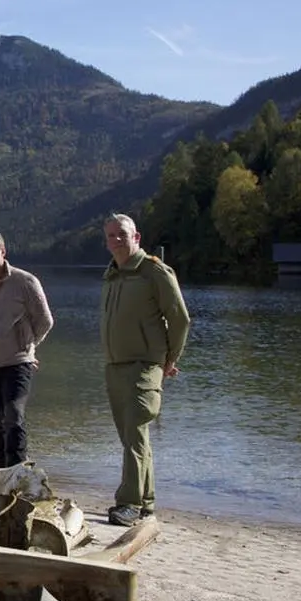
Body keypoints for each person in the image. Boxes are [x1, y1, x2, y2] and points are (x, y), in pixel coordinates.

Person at [100, 213, 191, 527]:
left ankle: (128, 504)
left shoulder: (154, 272)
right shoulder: (112, 274)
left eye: (121, 235)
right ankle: (147, 502)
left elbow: (180, 319)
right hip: (115, 367)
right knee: (130, 438)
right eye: (110, 236)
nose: (116, 241)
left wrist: (168, 360)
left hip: (145, 366)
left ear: (136, 237)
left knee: (136, 430)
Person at [0, 232, 54, 470]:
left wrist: (29, 346)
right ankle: (0, 474)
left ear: (3, 252)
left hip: (17, 363)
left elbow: (45, 320)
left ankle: (17, 473)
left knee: (14, 418)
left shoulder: (25, 282)